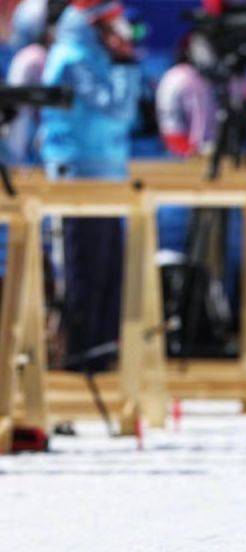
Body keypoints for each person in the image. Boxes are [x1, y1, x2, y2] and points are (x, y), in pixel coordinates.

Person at [40, 0, 139, 372]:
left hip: (109, 173)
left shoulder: (97, 55)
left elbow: (124, 112)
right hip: (79, 175)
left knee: (111, 269)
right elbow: (114, 108)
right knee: (84, 271)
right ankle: (79, 357)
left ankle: (103, 352)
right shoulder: (72, 56)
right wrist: (125, 65)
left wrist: (123, 64)